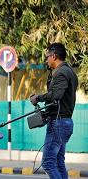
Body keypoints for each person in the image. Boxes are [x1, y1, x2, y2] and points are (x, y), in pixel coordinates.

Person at [30, 43, 78, 179]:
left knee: (48, 163)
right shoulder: (70, 72)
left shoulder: (61, 72)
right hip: (65, 122)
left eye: (47, 57)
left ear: (54, 56)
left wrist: (38, 97)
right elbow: (59, 99)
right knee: (58, 163)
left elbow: (56, 95)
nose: (46, 60)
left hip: (58, 123)